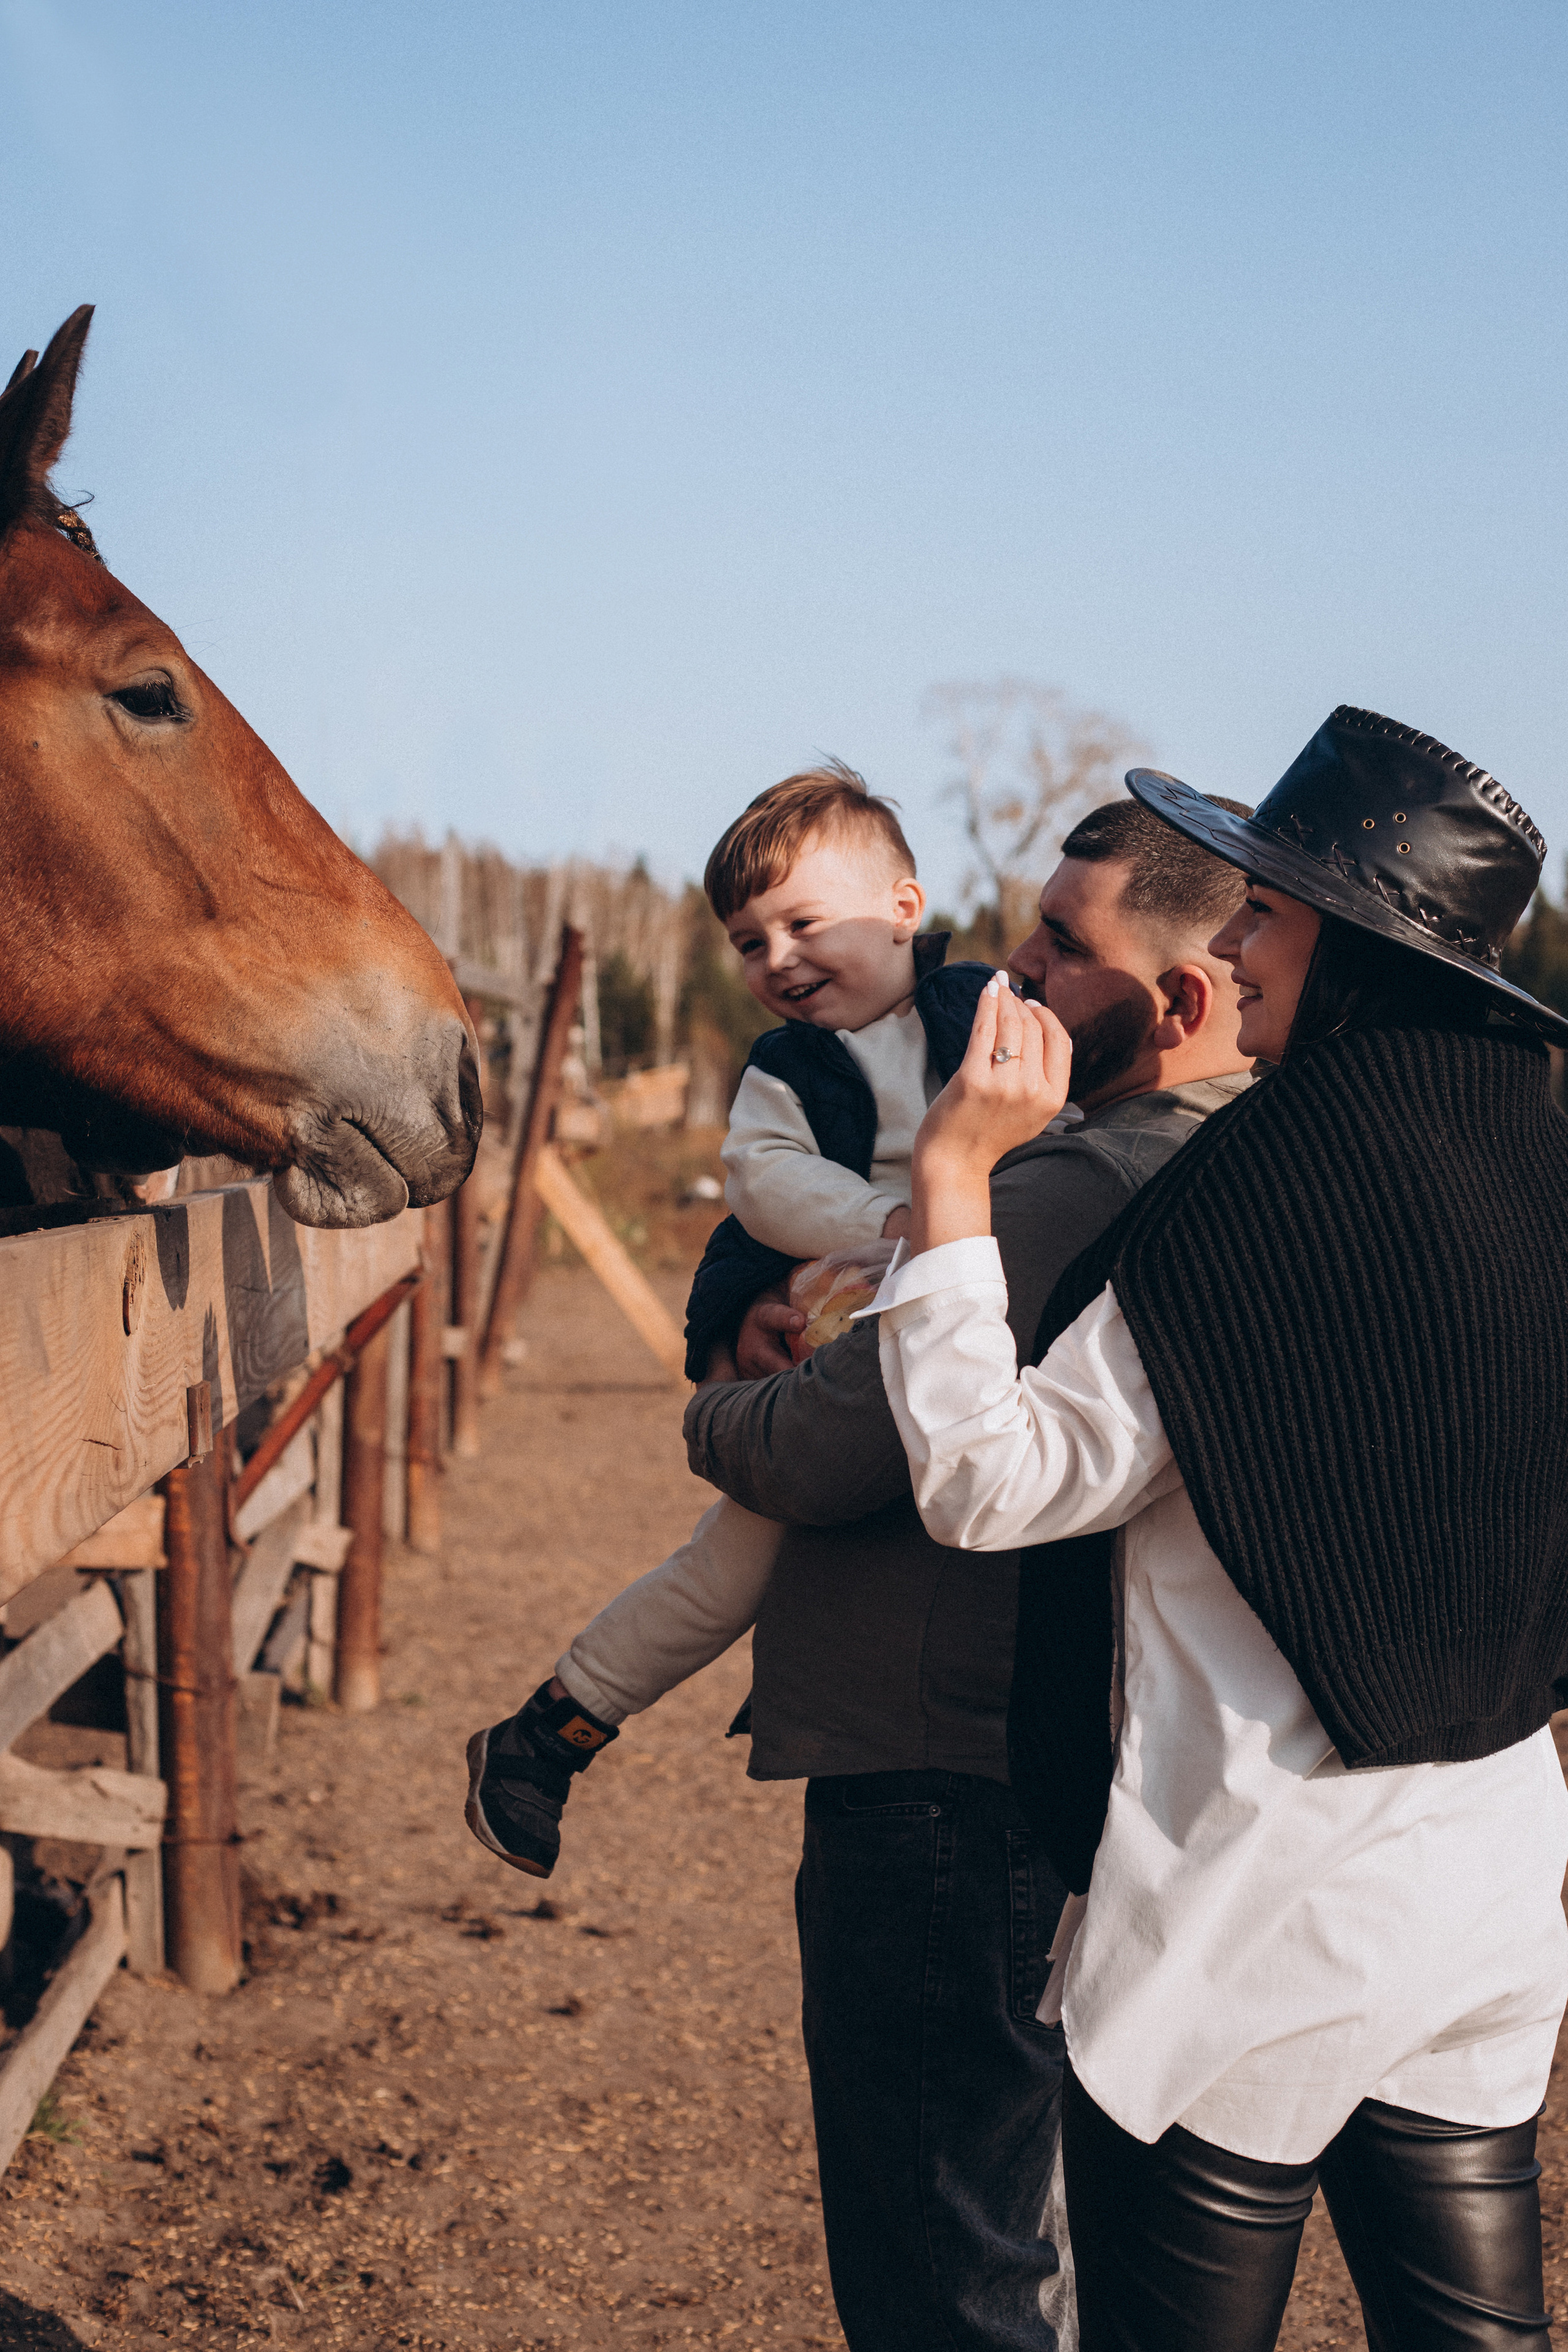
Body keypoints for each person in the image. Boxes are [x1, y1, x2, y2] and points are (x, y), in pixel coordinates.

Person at [868, 705, 1568, 2352]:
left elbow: (989, 1481)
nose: (1237, 946)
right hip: (1483, 1874)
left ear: (1358, 937)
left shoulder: (1260, 1193)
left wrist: (956, 1180)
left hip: (1254, 1901)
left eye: (1266, 910)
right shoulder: (1545, 1163)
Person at [681, 796, 1253, 2351]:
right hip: (1059, 1755)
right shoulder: (1232, 1169)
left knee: (944, 2253)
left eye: (1061, 947)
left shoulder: (1061, 1191)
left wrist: (717, 1402)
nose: (1008, 969)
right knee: (1026, 2229)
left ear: (1182, 999)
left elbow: (814, 1448)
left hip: (941, 1760)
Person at [465, 761, 995, 1877]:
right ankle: (554, 1729)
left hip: (978, 1327)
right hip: (848, 1332)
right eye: (750, 942)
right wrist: (901, 1220)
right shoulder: (790, 1070)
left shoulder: (991, 1011)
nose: (778, 960)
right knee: (733, 1568)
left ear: (905, 905)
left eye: (804, 922)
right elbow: (764, 1183)